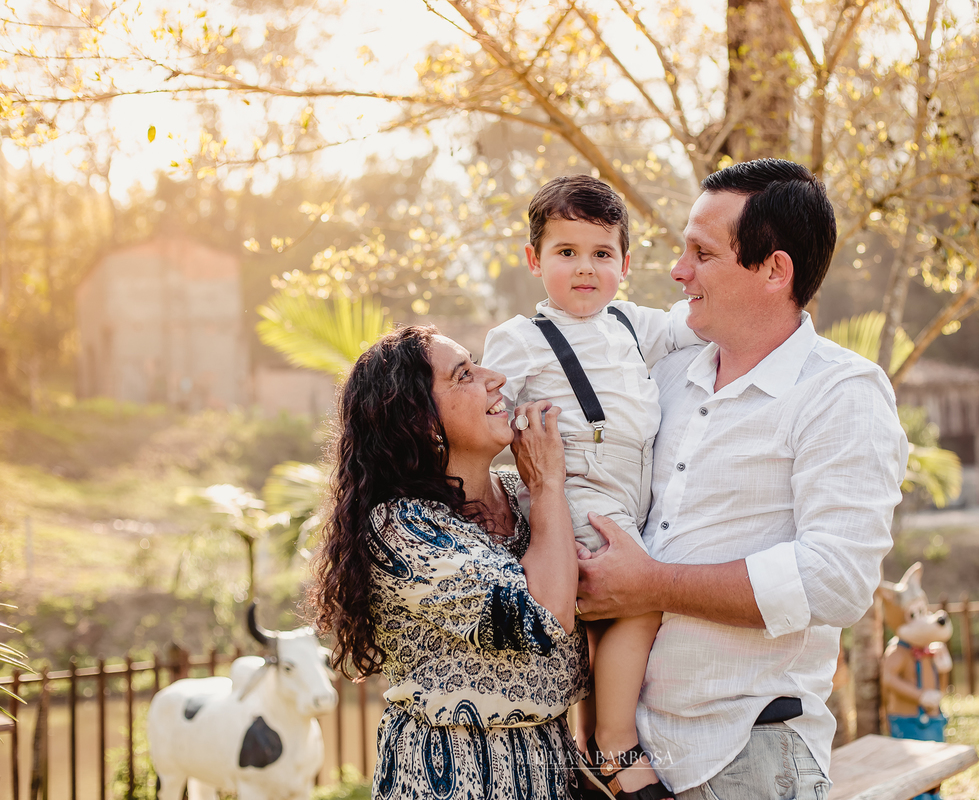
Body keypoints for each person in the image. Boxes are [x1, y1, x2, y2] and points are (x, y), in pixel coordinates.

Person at [575, 158, 911, 799]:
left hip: (746, 758)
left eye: (702, 254)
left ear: (775, 271)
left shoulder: (841, 392)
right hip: (627, 763)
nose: (678, 271)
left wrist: (652, 584)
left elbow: (835, 581)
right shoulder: (663, 375)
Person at [481, 175, 701, 800]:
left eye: (602, 253)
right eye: (566, 252)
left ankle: (587, 749)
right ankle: (616, 743)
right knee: (640, 599)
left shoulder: (631, 324)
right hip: (575, 488)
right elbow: (485, 405)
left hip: (629, 493)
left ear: (625, 266)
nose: (585, 268)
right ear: (534, 261)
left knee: (607, 621)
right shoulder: (521, 338)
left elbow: (689, 324)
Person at [307, 325, 588, 800]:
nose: (495, 377)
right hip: (448, 779)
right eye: (463, 375)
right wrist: (547, 485)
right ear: (421, 420)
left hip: (551, 771)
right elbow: (545, 614)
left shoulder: (522, 498)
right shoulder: (401, 527)